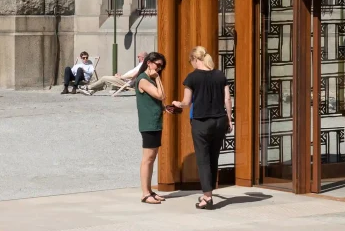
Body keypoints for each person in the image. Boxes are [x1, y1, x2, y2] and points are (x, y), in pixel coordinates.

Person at [172, 46, 232, 210]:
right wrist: (229, 120)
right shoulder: (220, 75)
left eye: (190, 61)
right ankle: (209, 191)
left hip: (201, 122)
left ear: (194, 59)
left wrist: (177, 103)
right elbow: (227, 99)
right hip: (220, 121)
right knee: (214, 157)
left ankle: (207, 197)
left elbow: (186, 102)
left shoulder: (192, 78)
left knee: (203, 159)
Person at [135, 51, 168, 204]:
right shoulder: (143, 80)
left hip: (155, 123)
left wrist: (164, 108)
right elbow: (161, 95)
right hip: (148, 124)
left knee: (152, 158)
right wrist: (158, 78)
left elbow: (158, 100)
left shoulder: (151, 79)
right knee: (147, 159)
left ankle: (149, 191)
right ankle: (145, 193)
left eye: (162, 67)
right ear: (149, 63)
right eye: (158, 65)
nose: (160, 68)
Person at [80, 52, 146, 95]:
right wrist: (121, 76)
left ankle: (88, 87)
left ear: (142, 58)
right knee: (105, 80)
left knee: (104, 78)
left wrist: (121, 77)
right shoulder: (140, 64)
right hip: (123, 79)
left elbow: (132, 76)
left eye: (138, 56)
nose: (138, 58)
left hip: (125, 82)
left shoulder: (142, 66)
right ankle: (91, 91)